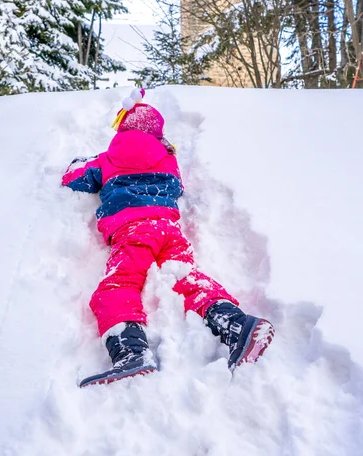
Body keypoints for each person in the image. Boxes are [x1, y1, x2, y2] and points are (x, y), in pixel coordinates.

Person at [62, 89, 274, 387]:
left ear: (123, 127)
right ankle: (237, 324)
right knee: (186, 278)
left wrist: (80, 163)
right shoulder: (167, 159)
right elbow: (176, 188)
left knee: (119, 285)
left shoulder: (107, 159)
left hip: (133, 231)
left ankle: (131, 353)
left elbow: (75, 178)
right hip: (167, 229)